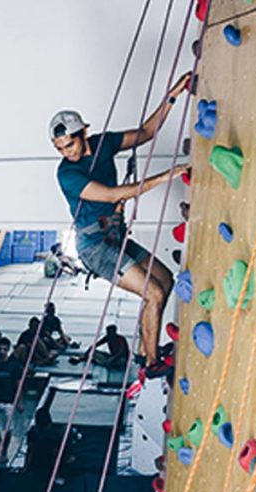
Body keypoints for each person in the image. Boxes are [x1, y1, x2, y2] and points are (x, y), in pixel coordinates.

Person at [49, 73, 190, 378]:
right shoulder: (67, 175)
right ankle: (152, 364)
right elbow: (113, 194)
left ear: (83, 133)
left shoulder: (105, 143)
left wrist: (173, 94)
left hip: (114, 237)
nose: (66, 153)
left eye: (69, 144)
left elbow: (146, 132)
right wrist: (164, 177)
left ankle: (143, 352)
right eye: (60, 148)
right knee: (152, 292)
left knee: (165, 280)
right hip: (95, 248)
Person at [0, 337, 24, 460]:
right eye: (0, 349)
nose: (2, 351)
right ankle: (0, 443)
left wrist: (19, 402)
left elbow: (19, 384)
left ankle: (4, 450)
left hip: (9, 401)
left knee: (8, 428)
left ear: (8, 349)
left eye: (5, 349)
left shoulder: (14, 366)